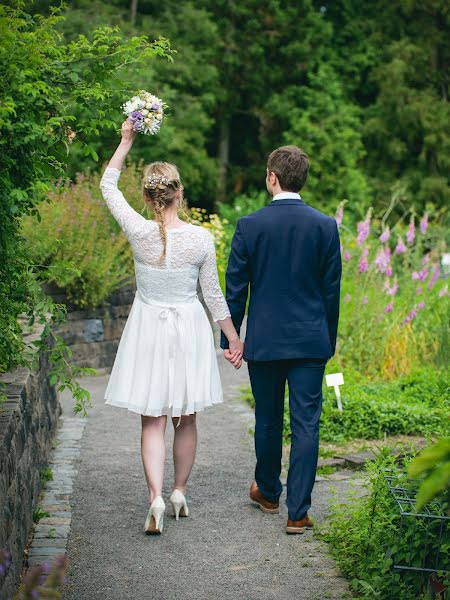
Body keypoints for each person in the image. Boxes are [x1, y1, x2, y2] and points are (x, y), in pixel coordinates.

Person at [100, 119, 243, 535]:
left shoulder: (138, 230)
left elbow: (108, 187)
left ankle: (155, 497)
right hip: (189, 329)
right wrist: (234, 340)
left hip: (148, 327)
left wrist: (126, 140)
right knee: (187, 417)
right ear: (179, 192)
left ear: (147, 196)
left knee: (152, 420)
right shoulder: (200, 239)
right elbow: (214, 297)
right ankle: (180, 491)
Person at [221, 145, 342, 534]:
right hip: (310, 341)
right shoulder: (325, 226)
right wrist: (328, 339)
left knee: (268, 419)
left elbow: (236, 288)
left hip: (266, 342)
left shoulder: (249, 226)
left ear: (272, 177)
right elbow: (331, 292)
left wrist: (230, 339)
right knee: (307, 424)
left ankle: (269, 493)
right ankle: (298, 513)